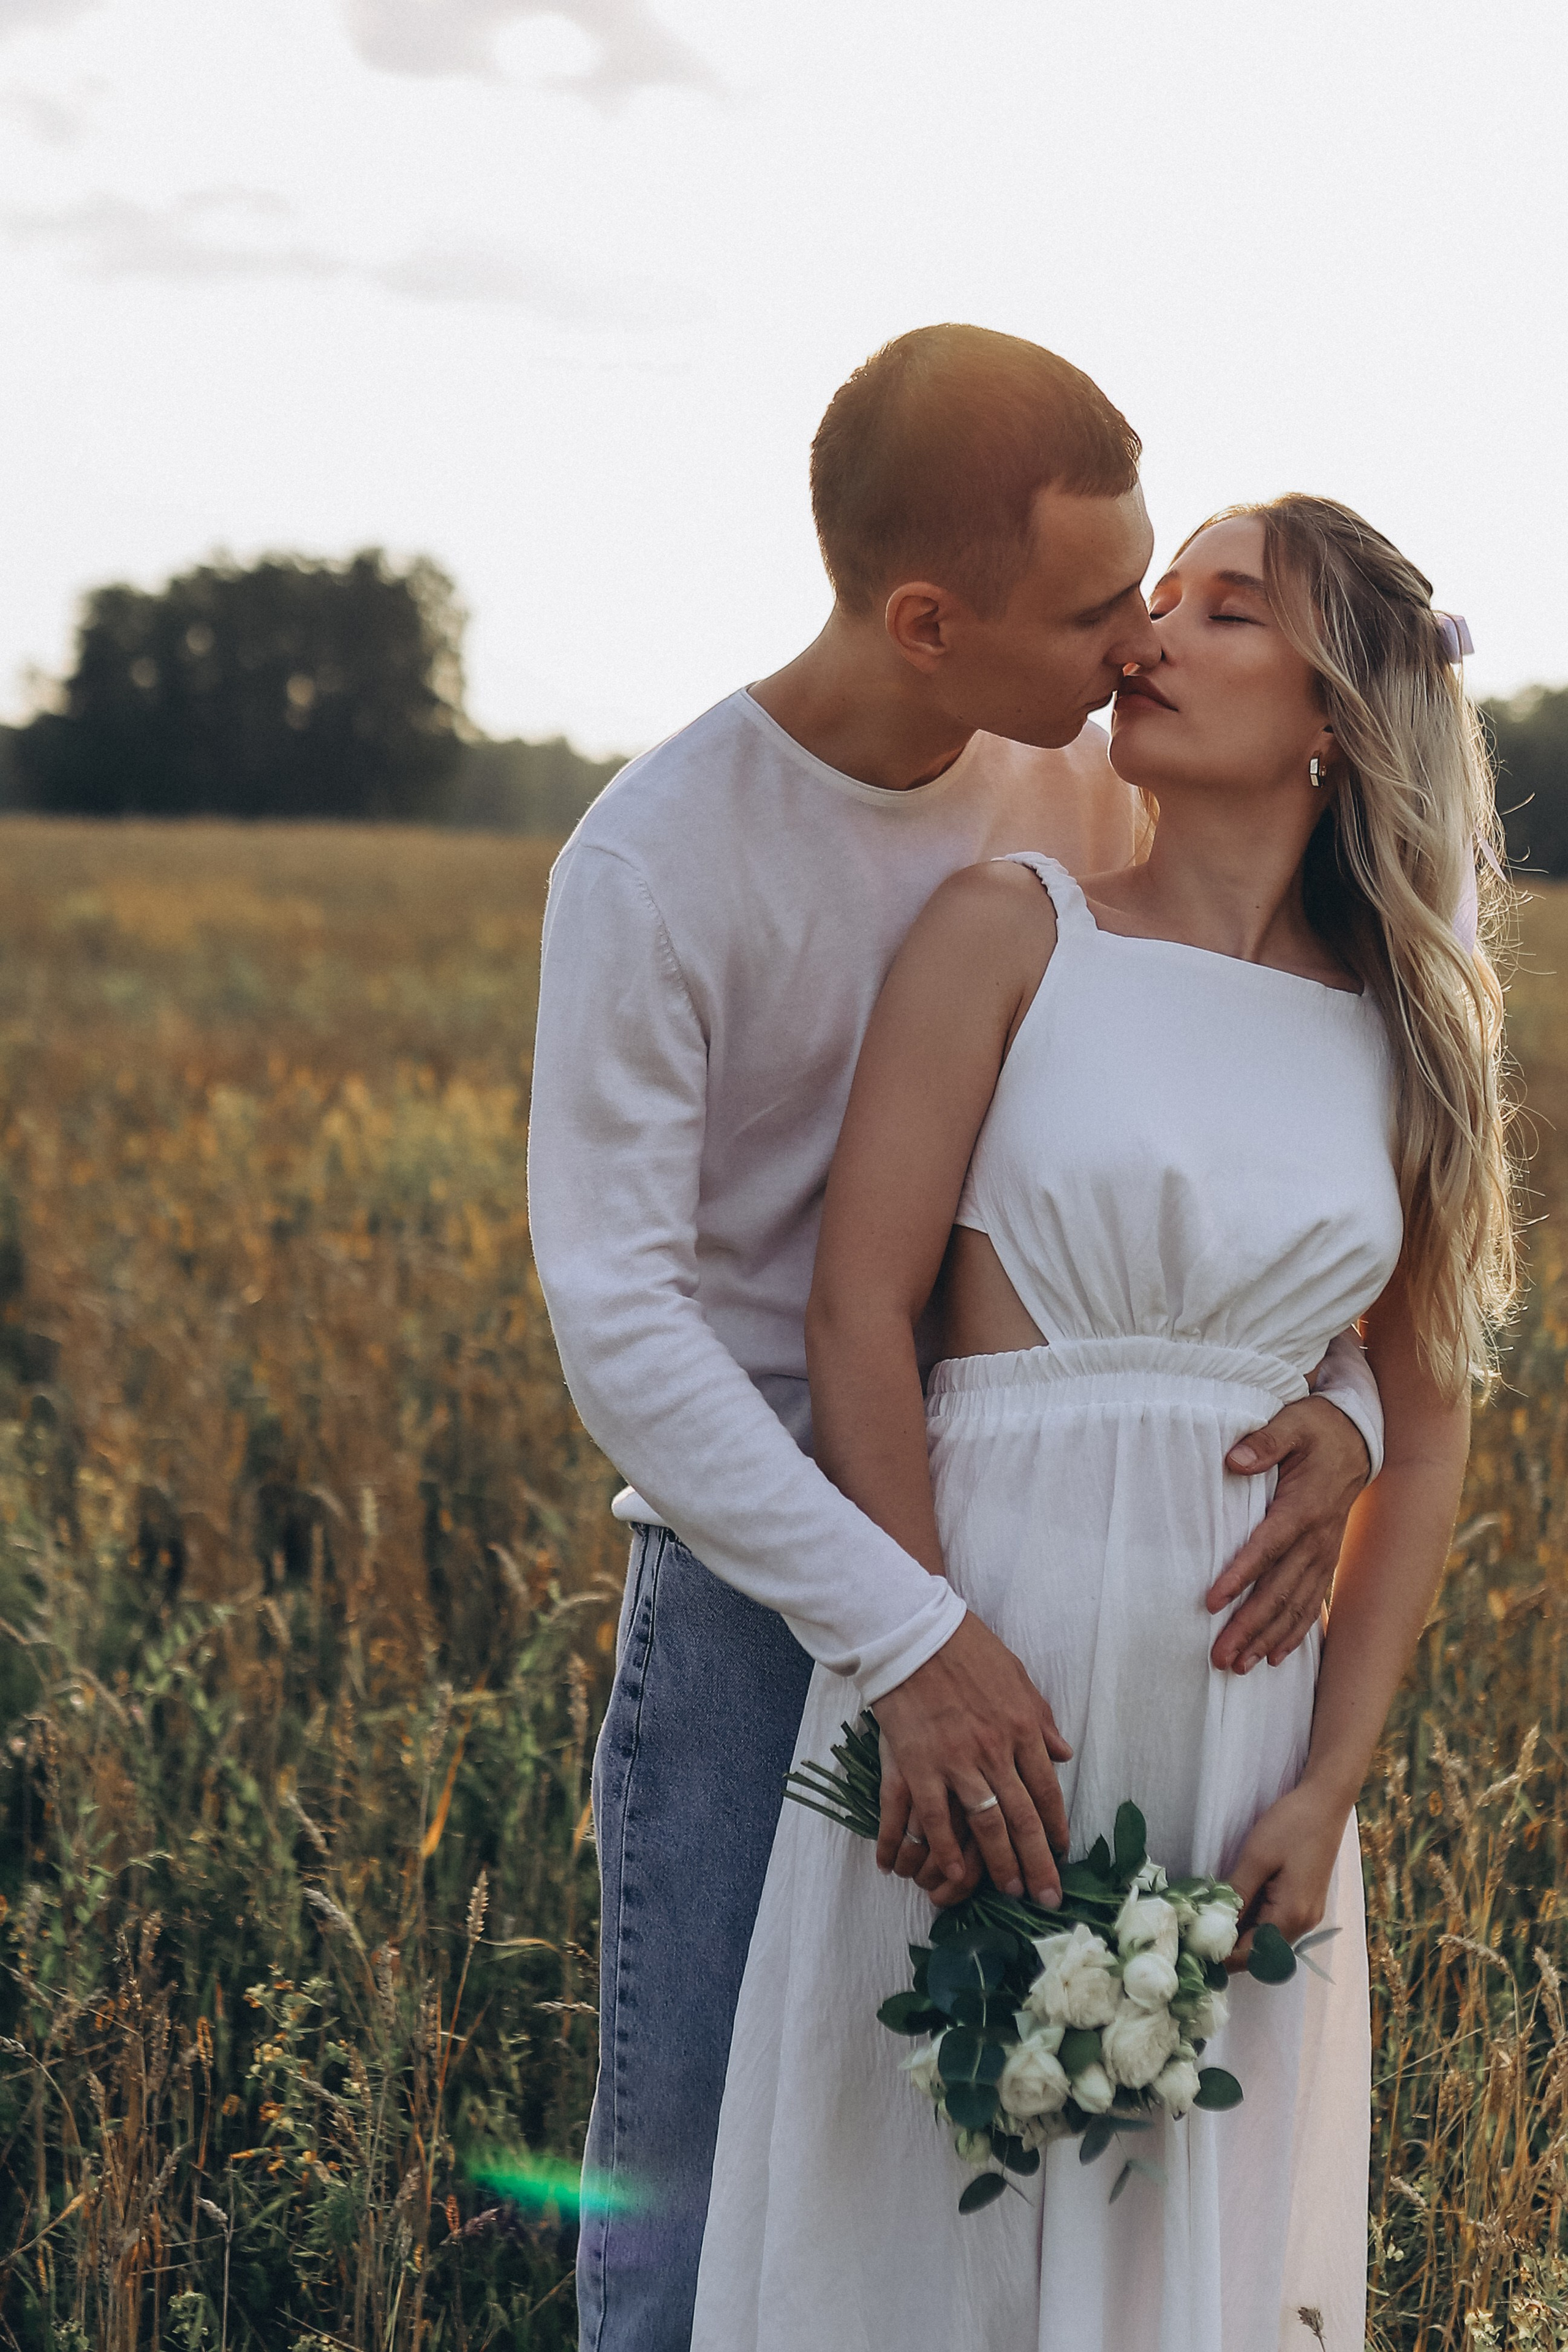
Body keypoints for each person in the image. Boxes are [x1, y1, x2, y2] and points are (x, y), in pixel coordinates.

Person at [527, 329, 1384, 2351]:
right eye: (1101, 608)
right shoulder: (655, 867)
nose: (1138, 642)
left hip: (1054, 1567)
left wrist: (1336, 1396)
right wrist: (897, 1629)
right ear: (931, 620)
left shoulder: (1082, 772)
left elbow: (1220, 1129)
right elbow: (626, 1329)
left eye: (1164, 588)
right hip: (768, 1584)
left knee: (1013, 2208)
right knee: (701, 2190)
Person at [691, 496, 1515, 2351]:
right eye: (1163, 598)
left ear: (1336, 716)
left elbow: (1433, 1402)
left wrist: (1332, 1785)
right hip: (986, 1673)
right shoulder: (1012, 929)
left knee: (1171, 2248)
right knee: (909, 2220)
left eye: (1226, 611)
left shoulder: (1407, 1023)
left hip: (1243, 1728)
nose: (1151, 632)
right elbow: (857, 1316)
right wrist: (916, 1661)